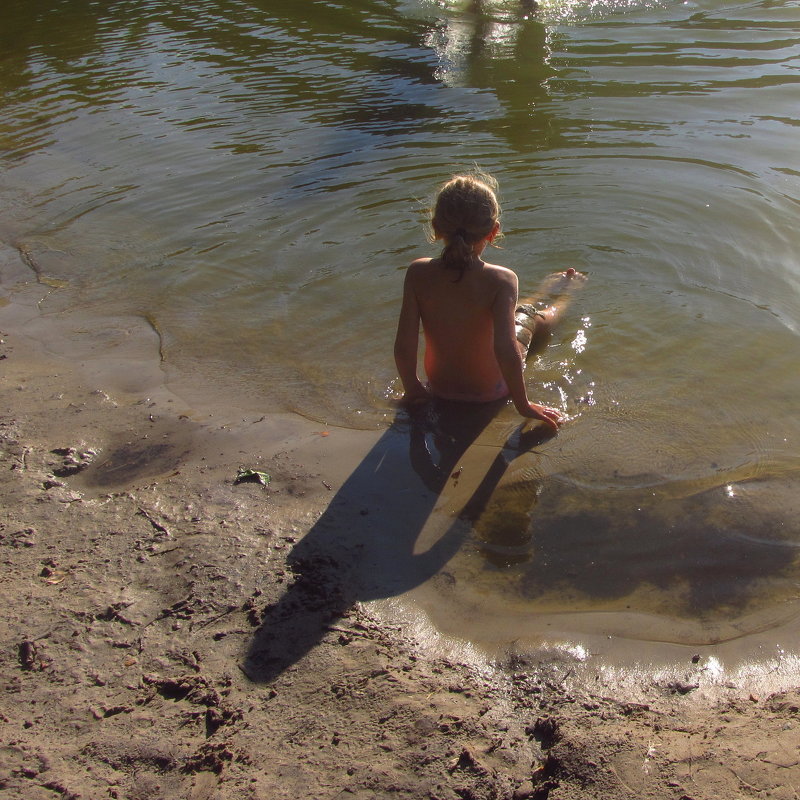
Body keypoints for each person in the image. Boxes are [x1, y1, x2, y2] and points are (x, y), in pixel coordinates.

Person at [394, 172, 585, 431]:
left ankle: (544, 292)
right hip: (492, 391)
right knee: (534, 318)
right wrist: (523, 404)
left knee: (513, 311)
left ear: (436, 227)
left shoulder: (417, 272)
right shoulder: (502, 279)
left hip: (439, 388)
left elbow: (404, 344)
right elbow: (506, 351)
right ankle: (566, 291)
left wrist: (412, 389)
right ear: (493, 232)